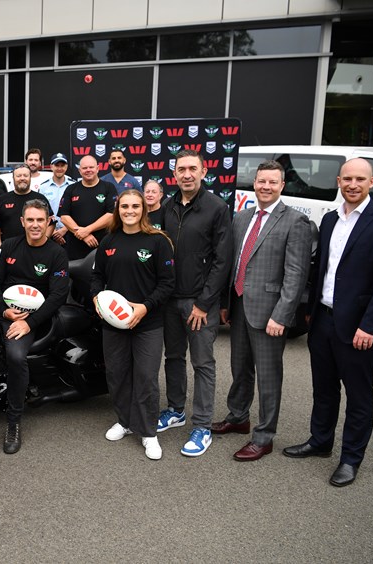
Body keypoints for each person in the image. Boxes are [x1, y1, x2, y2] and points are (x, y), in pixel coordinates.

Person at [283, 158, 373, 487]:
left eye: (359, 179)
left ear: (372, 182)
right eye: (347, 178)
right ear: (338, 181)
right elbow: (320, 269)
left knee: (358, 395)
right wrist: (310, 311)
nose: (352, 184)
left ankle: (351, 458)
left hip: (360, 328)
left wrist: (369, 326)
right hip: (323, 320)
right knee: (324, 390)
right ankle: (320, 442)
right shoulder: (329, 220)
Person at [212, 160, 311, 461]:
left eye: (272, 182)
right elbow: (233, 265)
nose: (265, 187)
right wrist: (226, 303)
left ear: (282, 185)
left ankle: (264, 436)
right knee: (240, 368)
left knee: (268, 376)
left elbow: (296, 274)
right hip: (240, 306)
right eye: (261, 181)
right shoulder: (241, 217)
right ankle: (239, 417)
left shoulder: (295, 221)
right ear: (254, 183)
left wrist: (282, 315)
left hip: (270, 314)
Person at [156, 149, 232, 457]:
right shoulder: (167, 206)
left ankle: (202, 425)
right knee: (173, 358)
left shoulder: (217, 207)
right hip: (170, 300)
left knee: (203, 364)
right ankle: (176, 409)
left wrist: (203, 303)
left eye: (192, 169)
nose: (186, 174)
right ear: (174, 174)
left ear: (204, 171)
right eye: (181, 169)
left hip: (200, 303)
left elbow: (222, 260)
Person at [91, 190, 175, 460]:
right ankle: (125, 422)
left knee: (146, 378)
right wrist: (96, 298)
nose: (130, 210)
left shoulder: (158, 241)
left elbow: (167, 283)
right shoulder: (108, 241)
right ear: (118, 209)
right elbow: (97, 276)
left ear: (143, 209)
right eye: (125, 206)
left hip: (148, 323)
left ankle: (149, 433)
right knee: (117, 374)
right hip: (114, 323)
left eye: (135, 206)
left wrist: (145, 306)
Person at [0, 199, 69, 454]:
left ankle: (13, 421)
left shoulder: (57, 253)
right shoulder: (8, 245)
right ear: (22, 222)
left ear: (48, 221)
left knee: (16, 355)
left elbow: (57, 297)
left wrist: (28, 323)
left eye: (40, 220)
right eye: (30, 220)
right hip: (5, 309)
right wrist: (3, 309)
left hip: (34, 318)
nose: (35, 225)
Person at [58, 155, 118, 260]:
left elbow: (111, 215)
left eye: (91, 167)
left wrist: (88, 230)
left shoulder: (108, 187)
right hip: (75, 247)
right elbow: (64, 216)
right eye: (85, 168)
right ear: (80, 170)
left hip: (102, 245)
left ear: (97, 168)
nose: (88, 170)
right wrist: (84, 235)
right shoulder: (71, 189)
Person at [0, 165, 53, 250]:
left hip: (35, 249)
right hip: (9, 250)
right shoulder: (3, 199)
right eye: (18, 176)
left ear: (30, 177)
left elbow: (51, 223)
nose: (22, 178)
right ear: (13, 178)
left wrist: (42, 242)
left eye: (25, 175)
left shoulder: (41, 199)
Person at [38, 152, 74, 246]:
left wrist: (64, 230)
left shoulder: (73, 185)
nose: (59, 168)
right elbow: (41, 211)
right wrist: (53, 232)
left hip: (70, 232)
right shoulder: (43, 187)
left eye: (62, 165)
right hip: (49, 232)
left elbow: (77, 211)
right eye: (56, 165)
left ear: (66, 167)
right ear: (51, 166)